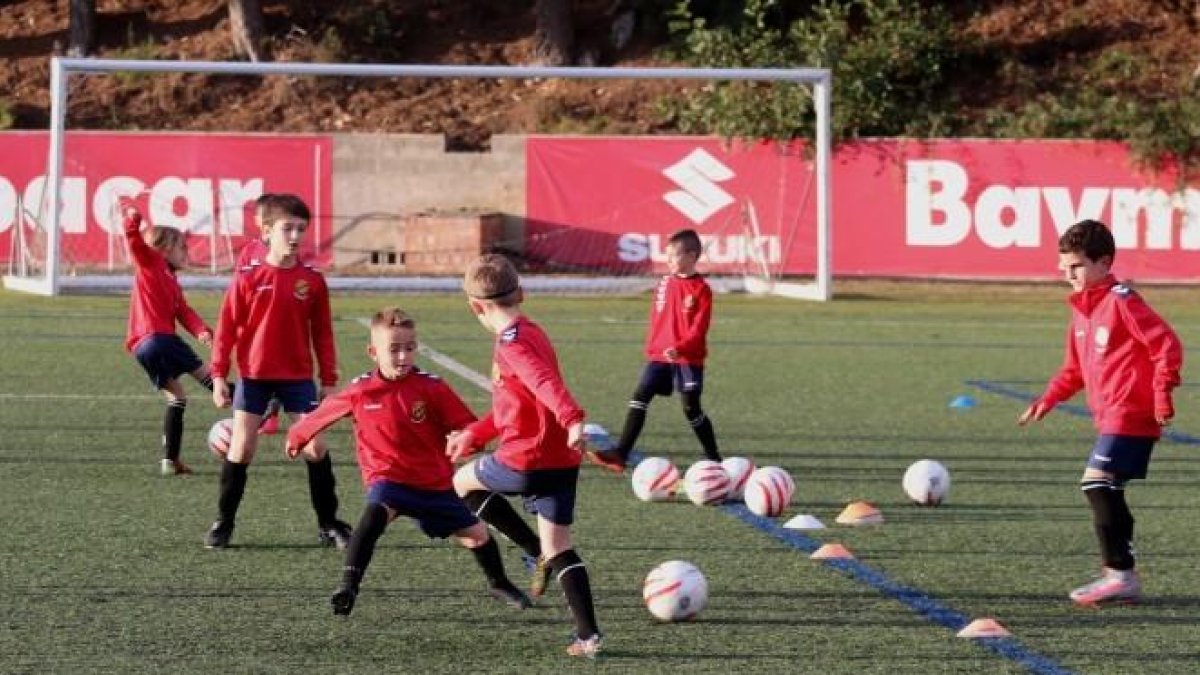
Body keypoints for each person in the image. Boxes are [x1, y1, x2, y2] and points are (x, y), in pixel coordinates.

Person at [284, 307, 531, 615]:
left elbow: (466, 425)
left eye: (409, 348)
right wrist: (298, 435)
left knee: (477, 535)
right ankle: (347, 587)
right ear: (374, 352)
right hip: (388, 479)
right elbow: (324, 413)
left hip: (434, 483)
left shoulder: (432, 387)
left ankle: (499, 582)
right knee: (373, 516)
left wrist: (463, 437)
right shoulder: (362, 390)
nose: (403, 357)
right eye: (394, 349)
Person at [1018, 219, 1183, 606]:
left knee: (1096, 483)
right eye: (1063, 268)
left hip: (1132, 413)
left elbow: (1167, 346)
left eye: (1075, 266)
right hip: (1109, 417)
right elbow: (1074, 370)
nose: (1067, 275)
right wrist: (1049, 398)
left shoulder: (1123, 301)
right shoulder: (1082, 311)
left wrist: (1161, 395)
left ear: (1104, 262)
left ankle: (1120, 574)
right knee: (1106, 488)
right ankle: (1121, 574)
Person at [446, 253, 603, 658]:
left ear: (475, 307)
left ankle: (531, 552)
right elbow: (515, 406)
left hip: (526, 459)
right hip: (560, 462)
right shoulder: (533, 331)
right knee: (560, 547)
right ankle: (588, 636)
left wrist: (571, 418)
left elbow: (543, 381)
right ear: (522, 293)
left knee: (462, 483)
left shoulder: (511, 346)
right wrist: (475, 434)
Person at [206, 193, 350, 550]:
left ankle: (329, 523)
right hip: (254, 376)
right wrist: (220, 375)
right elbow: (226, 328)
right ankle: (223, 524)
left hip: (297, 378)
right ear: (266, 231)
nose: (296, 235)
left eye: (302, 228)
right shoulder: (248, 278)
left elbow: (323, 334)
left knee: (315, 446)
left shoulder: (312, 281)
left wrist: (329, 380)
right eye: (288, 228)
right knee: (242, 447)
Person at [588, 228, 721, 473]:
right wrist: (656, 348)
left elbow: (699, 330)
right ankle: (621, 454)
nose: (668, 261)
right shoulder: (664, 283)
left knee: (691, 409)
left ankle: (715, 460)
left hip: (687, 359)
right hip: (659, 357)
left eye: (673, 256)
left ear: (691, 256)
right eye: (667, 256)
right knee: (640, 396)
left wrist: (679, 348)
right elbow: (658, 320)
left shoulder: (701, 290)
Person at [121, 203, 216, 476]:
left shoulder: (170, 279)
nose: (186, 251)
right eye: (181, 246)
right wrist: (133, 220)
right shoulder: (152, 263)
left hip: (142, 347)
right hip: (160, 338)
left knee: (176, 396)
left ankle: (169, 461)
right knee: (212, 380)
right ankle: (258, 407)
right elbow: (134, 242)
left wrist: (200, 330)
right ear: (162, 249)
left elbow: (183, 311)